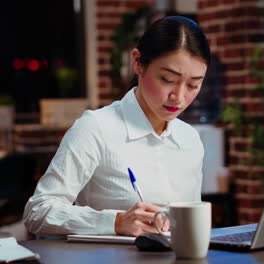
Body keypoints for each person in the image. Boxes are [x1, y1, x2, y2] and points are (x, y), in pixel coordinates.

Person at [23, 16, 211, 236]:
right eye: (168, 79)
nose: (179, 97)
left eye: (193, 84)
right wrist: (116, 222)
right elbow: (37, 211)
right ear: (138, 63)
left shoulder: (189, 138)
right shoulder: (96, 128)